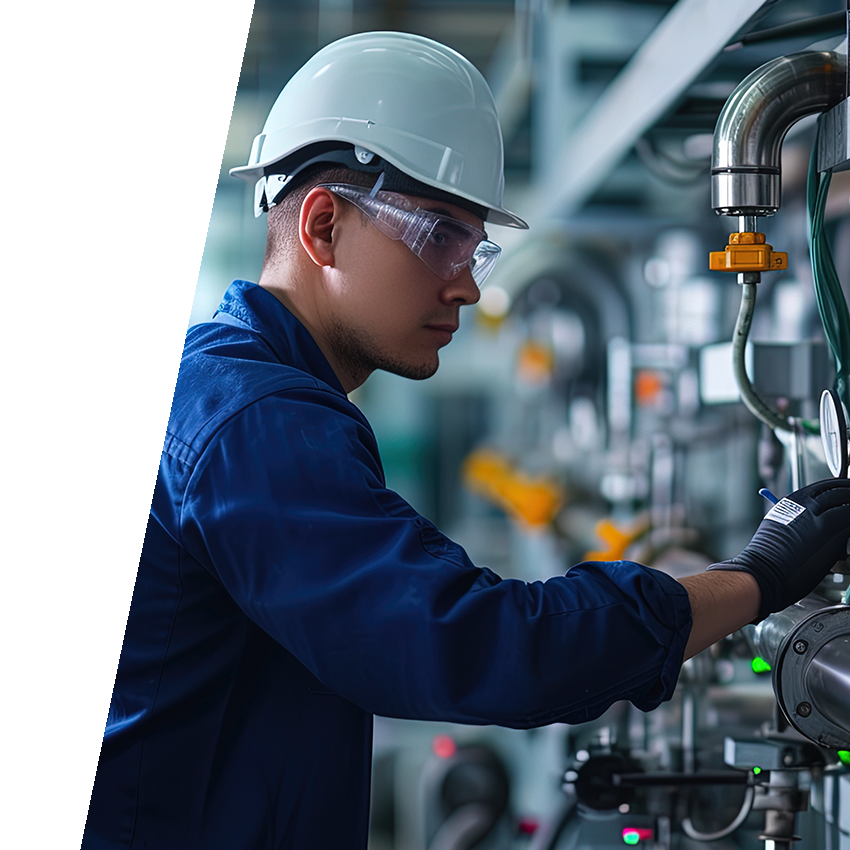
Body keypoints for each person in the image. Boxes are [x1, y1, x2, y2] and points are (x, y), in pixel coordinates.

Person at [83, 31, 850, 850]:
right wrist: (759, 576)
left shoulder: (232, 392)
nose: (469, 282)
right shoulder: (253, 418)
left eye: (475, 243)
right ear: (322, 226)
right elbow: (484, 646)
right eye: (439, 235)